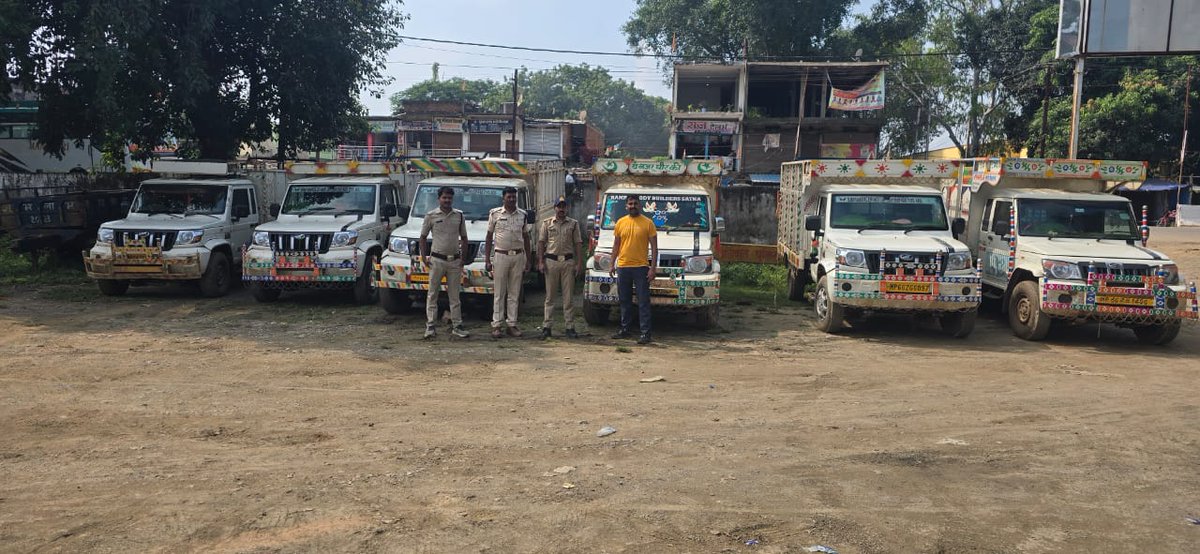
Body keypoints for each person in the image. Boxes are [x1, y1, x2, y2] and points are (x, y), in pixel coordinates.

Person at [418, 186, 470, 340]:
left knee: (454, 296)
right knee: (432, 294)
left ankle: (457, 326)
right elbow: (422, 237)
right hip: (436, 260)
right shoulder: (431, 216)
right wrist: (423, 256)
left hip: (454, 261)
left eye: (449, 198)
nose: (447, 200)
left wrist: (463, 259)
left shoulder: (459, 216)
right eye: (444, 197)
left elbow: (464, 238)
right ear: (439, 198)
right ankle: (430, 327)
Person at [609, 194, 658, 345]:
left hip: (641, 267)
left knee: (643, 301)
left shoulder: (648, 223)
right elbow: (616, 245)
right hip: (623, 267)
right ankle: (625, 329)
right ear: (626, 206)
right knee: (624, 301)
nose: (633, 206)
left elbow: (655, 248)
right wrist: (612, 264)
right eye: (630, 204)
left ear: (640, 205)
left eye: (635, 203)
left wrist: (652, 268)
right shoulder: (620, 223)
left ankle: (645, 333)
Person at [485, 187, 531, 338]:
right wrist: (487, 259)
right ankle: (496, 325)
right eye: (509, 197)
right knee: (499, 292)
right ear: (503, 198)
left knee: (514, 292)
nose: (511, 199)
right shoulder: (495, 214)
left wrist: (528, 260)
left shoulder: (522, 215)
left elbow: (526, 238)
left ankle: (512, 324)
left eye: (513, 197)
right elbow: (489, 236)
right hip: (501, 255)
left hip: (517, 256)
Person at [537, 196, 584, 339]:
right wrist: (540, 261)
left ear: (567, 208)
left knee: (568, 297)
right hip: (551, 262)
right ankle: (547, 326)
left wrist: (579, 263)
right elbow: (541, 243)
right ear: (555, 208)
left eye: (564, 206)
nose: (561, 209)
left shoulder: (573, 224)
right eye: (559, 206)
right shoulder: (546, 223)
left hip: (568, 262)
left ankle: (569, 327)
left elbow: (578, 244)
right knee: (550, 296)